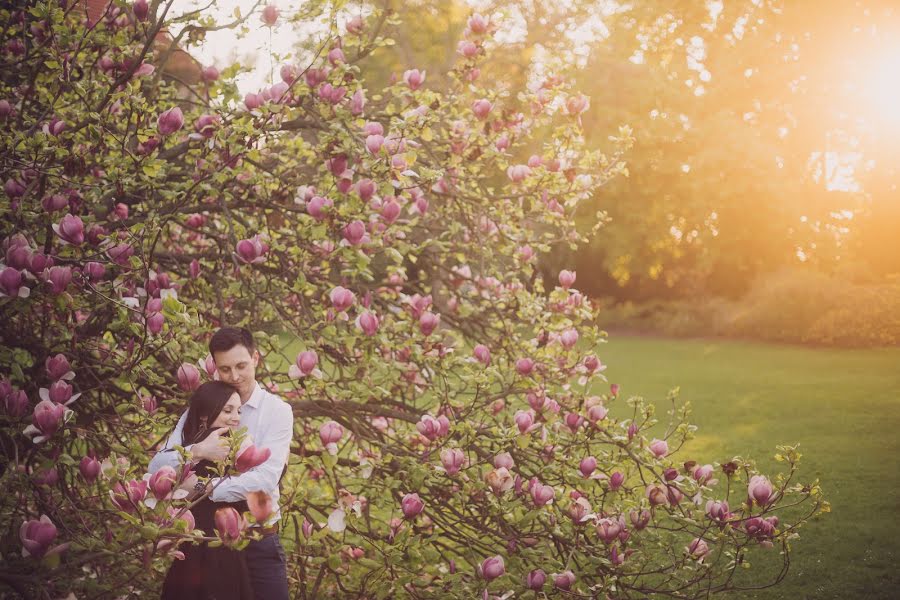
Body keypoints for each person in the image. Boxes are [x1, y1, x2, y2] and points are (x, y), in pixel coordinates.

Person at [150, 327, 293, 599]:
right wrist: (199, 450)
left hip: (258, 539)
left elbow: (263, 481)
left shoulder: (277, 412)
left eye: (241, 366)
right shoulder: (206, 406)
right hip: (208, 541)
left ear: (256, 359)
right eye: (225, 369)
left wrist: (203, 486)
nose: (234, 376)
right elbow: (157, 468)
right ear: (215, 367)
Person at [161, 381, 254, 600]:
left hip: (195, 542)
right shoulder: (226, 444)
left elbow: (174, 483)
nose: (236, 417)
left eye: (238, 410)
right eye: (227, 410)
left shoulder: (188, 447)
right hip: (217, 547)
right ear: (205, 414)